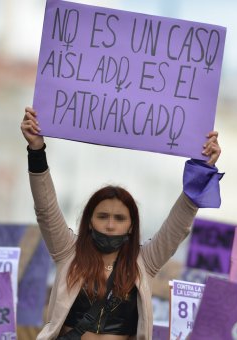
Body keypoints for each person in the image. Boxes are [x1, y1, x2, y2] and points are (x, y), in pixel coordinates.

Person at [20, 106, 222, 340]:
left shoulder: (144, 263)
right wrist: (36, 150)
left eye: (119, 218)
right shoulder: (68, 253)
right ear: (88, 222)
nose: (110, 225)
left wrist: (203, 170)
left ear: (132, 225)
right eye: (102, 216)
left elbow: (177, 227)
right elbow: (46, 209)